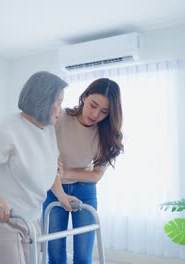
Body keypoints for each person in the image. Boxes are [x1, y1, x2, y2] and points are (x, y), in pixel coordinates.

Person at [0, 71, 81, 264]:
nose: (61, 109)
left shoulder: (48, 131)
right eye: (58, 102)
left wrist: (62, 195)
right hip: (3, 220)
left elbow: (50, 168)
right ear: (43, 100)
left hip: (31, 220)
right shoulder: (8, 127)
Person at [43, 78, 124, 264]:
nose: (96, 114)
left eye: (104, 112)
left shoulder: (106, 135)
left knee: (83, 257)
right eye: (93, 105)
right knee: (54, 255)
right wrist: (58, 177)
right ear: (84, 97)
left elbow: (96, 176)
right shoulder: (59, 118)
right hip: (54, 190)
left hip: (85, 192)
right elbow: (45, 158)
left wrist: (65, 172)